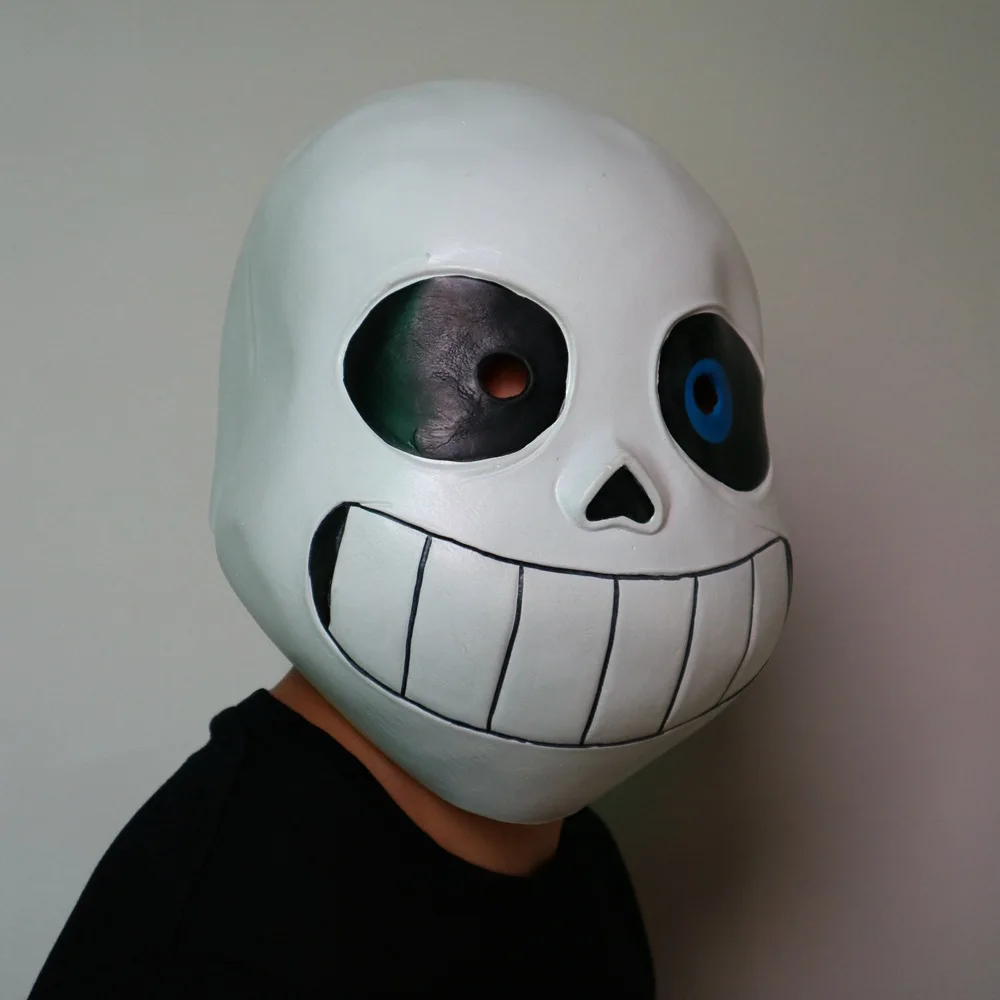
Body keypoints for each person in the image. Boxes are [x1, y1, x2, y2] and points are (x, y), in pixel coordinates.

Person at [29, 79, 791, 998]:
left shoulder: (580, 863)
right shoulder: (208, 935)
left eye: (701, 398)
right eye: (493, 375)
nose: (625, 493)